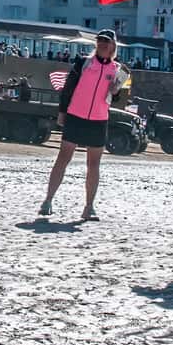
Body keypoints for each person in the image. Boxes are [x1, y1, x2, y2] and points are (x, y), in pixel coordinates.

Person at [38, 29, 129, 221]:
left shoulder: (118, 69)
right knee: (63, 158)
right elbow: (68, 88)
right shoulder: (83, 62)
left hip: (98, 120)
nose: (102, 44)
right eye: (100, 41)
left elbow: (119, 99)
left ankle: (89, 207)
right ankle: (47, 201)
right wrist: (62, 112)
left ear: (113, 45)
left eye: (106, 41)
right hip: (75, 116)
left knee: (94, 164)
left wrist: (117, 90)